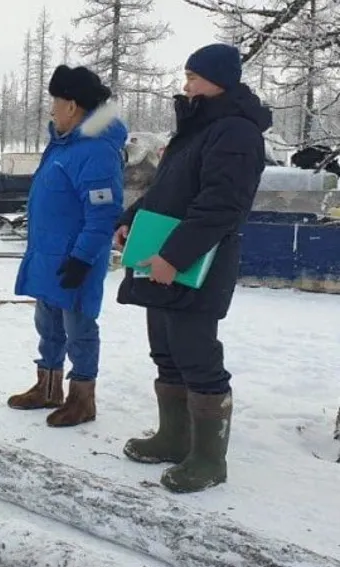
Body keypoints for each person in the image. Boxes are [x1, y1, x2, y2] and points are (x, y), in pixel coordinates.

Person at [115, 44, 271, 493]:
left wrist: (174, 256)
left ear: (221, 79)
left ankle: (207, 460)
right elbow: (167, 192)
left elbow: (222, 207)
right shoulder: (197, 128)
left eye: (194, 77)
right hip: (161, 261)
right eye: (186, 76)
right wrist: (130, 221)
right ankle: (173, 437)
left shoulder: (236, 133)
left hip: (197, 266)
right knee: (165, 350)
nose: (186, 86)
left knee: (197, 357)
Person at [9, 65, 126, 428]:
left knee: (79, 327)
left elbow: (103, 213)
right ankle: (48, 387)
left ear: (72, 106)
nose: (52, 111)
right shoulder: (64, 144)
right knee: (48, 323)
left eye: (55, 103)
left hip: (75, 258)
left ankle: (82, 398)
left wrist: (81, 258)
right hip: (48, 255)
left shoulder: (95, 152)